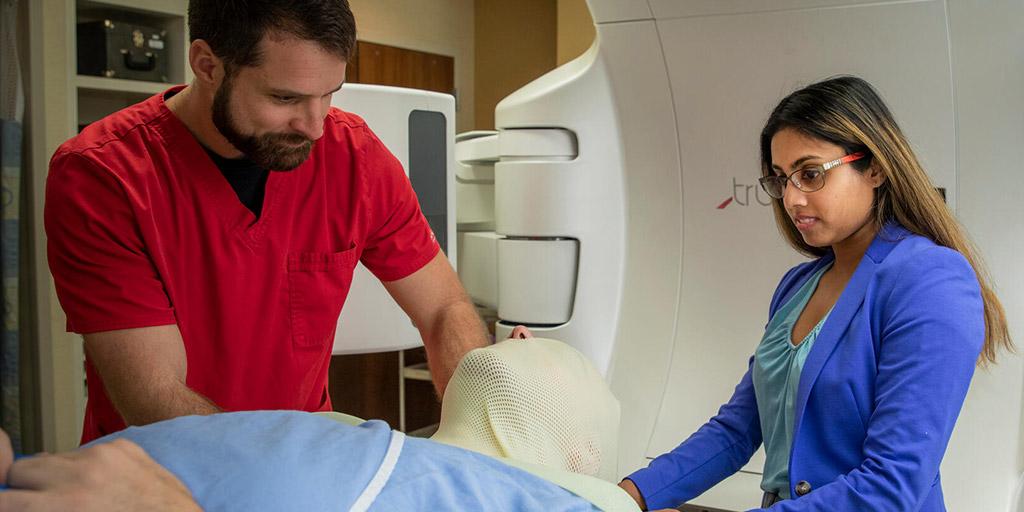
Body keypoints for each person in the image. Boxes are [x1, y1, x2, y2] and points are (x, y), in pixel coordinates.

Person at [44, 0, 488, 445]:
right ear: (207, 65)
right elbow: (157, 397)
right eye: (285, 98)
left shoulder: (355, 157)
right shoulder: (102, 176)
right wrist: (279, 473)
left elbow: (444, 310)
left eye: (330, 93)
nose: (315, 126)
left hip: (303, 456)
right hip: (161, 471)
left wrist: (485, 432)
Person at [613, 76, 1013, 511]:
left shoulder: (929, 279)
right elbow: (737, 430)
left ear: (875, 167)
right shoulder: (797, 287)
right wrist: (626, 496)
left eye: (810, 174)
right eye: (782, 179)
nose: (791, 198)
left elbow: (892, 485)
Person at [0, 339, 639, 511]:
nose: (523, 332)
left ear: (576, 460)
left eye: (566, 356)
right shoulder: (351, 432)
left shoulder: (528, 502)